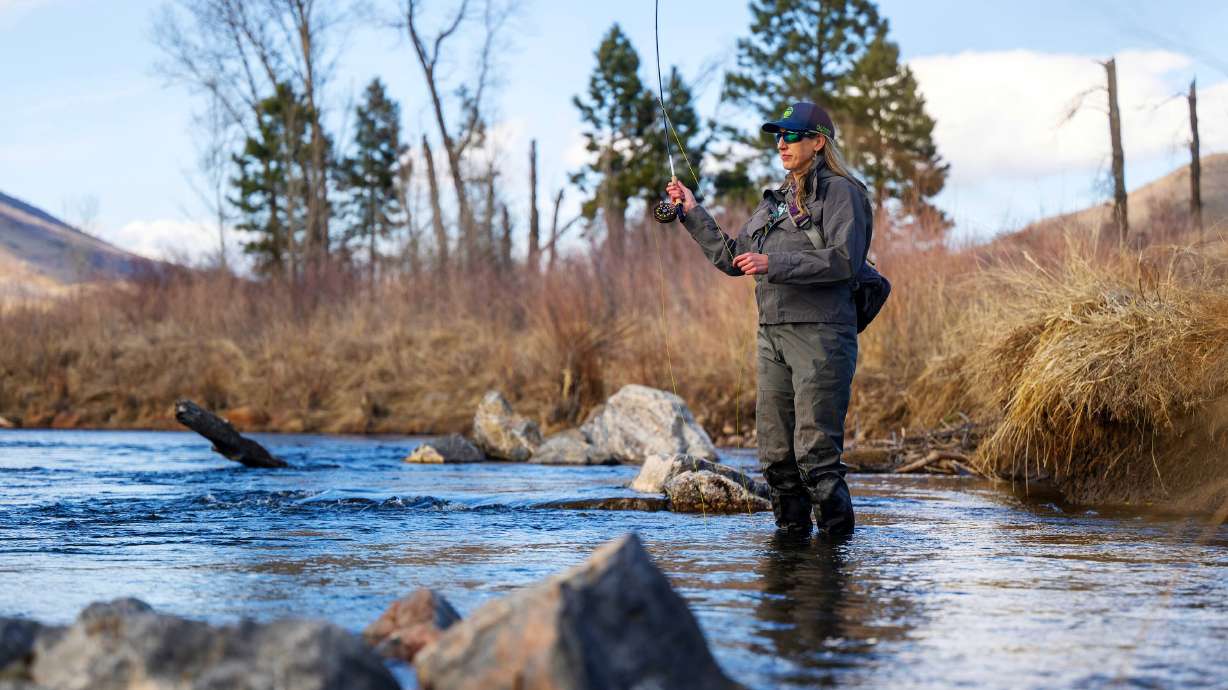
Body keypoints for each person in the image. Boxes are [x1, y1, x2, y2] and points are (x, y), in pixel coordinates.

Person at [665, 101, 871, 539]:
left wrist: (773, 263)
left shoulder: (843, 193)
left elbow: (843, 260)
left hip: (822, 336)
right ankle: (790, 555)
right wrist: (693, 213)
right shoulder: (775, 201)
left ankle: (834, 561)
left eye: (792, 135)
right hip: (772, 337)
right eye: (778, 136)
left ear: (818, 142)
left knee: (816, 456)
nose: (782, 143)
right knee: (777, 455)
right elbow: (733, 257)